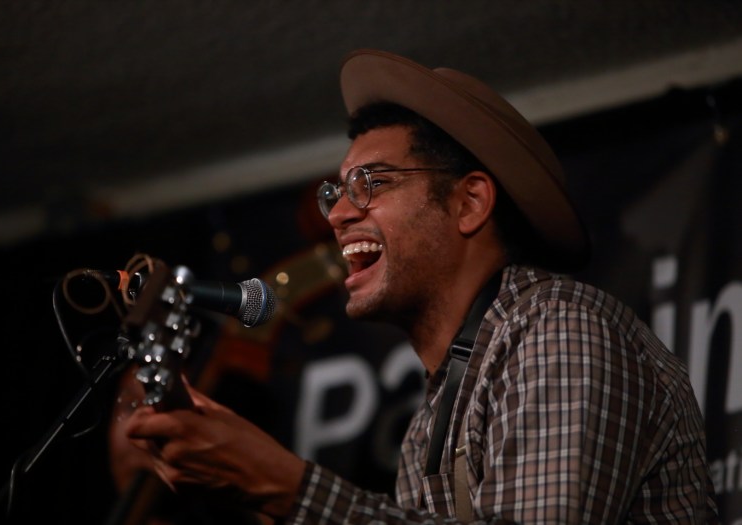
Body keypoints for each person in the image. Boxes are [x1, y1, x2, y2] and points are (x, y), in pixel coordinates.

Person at [123, 49, 718, 524]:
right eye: (337, 193)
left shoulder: (558, 328)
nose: (338, 215)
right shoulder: (427, 430)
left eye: (373, 183)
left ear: (469, 202)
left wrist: (287, 487)